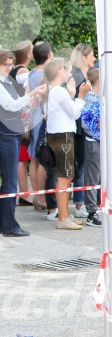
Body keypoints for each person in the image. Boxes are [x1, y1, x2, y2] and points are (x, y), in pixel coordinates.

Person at [0, 50, 46, 237]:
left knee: (10, 180)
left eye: (11, 64)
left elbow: (18, 104)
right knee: (10, 180)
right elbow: (10, 105)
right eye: (6, 64)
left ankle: (3, 223)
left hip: (9, 133)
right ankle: (9, 226)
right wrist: (32, 94)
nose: (10, 68)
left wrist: (31, 100)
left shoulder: (4, 82)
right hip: (3, 134)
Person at [43, 58, 90, 230]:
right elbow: (75, 113)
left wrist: (71, 94)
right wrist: (81, 96)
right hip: (63, 137)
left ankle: (65, 215)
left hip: (56, 135)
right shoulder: (58, 91)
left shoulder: (51, 90)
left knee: (66, 175)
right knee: (65, 177)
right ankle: (63, 218)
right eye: (68, 70)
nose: (71, 74)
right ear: (59, 71)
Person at [25, 41, 53, 211]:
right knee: (44, 156)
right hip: (42, 114)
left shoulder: (31, 73)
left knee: (34, 157)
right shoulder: (46, 73)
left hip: (33, 114)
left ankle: (37, 195)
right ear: (48, 55)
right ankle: (42, 196)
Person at [70, 43, 96, 219]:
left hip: (83, 125)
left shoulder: (84, 74)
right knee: (81, 163)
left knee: (84, 164)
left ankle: (82, 201)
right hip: (80, 127)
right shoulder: (78, 77)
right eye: (92, 54)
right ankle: (80, 203)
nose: (94, 58)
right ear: (84, 57)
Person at [10, 41, 34, 205]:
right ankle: (24, 194)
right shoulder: (23, 71)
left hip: (14, 114)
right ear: (28, 54)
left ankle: (23, 192)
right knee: (23, 157)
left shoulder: (11, 70)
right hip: (23, 114)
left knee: (21, 156)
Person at [80, 68, 101, 227]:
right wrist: (99, 132)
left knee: (103, 176)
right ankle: (91, 212)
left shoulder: (102, 97)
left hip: (103, 142)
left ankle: (101, 207)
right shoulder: (90, 98)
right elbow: (86, 123)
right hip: (94, 142)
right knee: (93, 177)